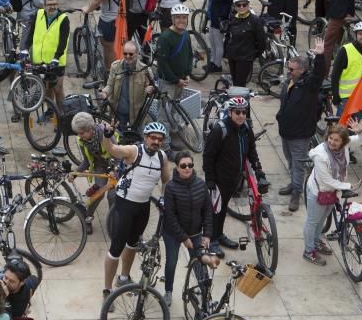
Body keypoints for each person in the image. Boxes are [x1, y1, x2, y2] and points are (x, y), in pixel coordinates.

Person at [100, 122, 171, 297]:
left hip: (143, 206)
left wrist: (163, 197)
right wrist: (107, 135)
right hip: (125, 204)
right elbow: (112, 149)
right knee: (116, 247)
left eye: (159, 139)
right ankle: (107, 290)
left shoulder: (162, 157)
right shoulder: (134, 151)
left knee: (132, 244)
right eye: (153, 138)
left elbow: (166, 180)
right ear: (146, 138)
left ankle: (124, 278)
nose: (156, 141)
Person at [203, 96, 267, 252]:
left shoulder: (245, 128)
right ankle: (211, 241)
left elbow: (251, 151)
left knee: (223, 208)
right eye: (237, 112)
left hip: (235, 178)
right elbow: (208, 156)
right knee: (215, 210)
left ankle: (219, 235)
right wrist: (210, 179)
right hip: (219, 179)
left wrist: (258, 169)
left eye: (244, 112)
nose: (241, 116)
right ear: (230, 112)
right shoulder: (220, 130)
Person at [302, 122, 362, 265]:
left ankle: (316, 242)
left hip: (332, 192)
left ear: (343, 142)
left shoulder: (345, 146)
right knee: (313, 221)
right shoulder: (320, 155)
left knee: (322, 219)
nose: (332, 142)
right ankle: (309, 251)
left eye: (336, 140)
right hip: (319, 191)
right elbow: (326, 180)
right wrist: (346, 185)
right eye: (330, 138)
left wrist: (361, 131)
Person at [277, 41, 327, 213]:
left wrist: (320, 56)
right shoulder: (290, 82)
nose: (288, 72)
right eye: (288, 68)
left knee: (298, 165)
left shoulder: (309, 85)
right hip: (286, 131)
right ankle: (293, 184)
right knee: (290, 161)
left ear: (302, 70)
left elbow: (319, 75)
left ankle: (297, 193)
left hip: (300, 134)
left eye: (292, 69)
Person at [162, 151, 214, 305]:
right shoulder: (170, 188)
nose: (187, 168)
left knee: (199, 262)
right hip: (173, 233)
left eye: (190, 165)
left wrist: (208, 234)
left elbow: (207, 211)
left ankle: (206, 296)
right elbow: (170, 217)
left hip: (195, 231)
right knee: (171, 262)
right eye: (183, 165)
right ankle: (168, 291)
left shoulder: (201, 184)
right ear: (177, 168)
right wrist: (184, 238)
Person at [21, 0, 69, 109]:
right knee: (47, 87)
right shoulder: (38, 15)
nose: (52, 7)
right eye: (49, 5)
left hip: (56, 61)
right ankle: (50, 110)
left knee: (58, 89)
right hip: (40, 59)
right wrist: (25, 49)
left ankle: (62, 113)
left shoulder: (63, 19)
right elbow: (31, 34)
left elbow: (63, 41)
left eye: (54, 4)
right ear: (44, 6)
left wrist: (56, 57)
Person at [100, 40, 155, 132]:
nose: (127, 56)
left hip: (137, 113)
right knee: (119, 137)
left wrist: (151, 89)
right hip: (119, 111)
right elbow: (110, 85)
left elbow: (152, 88)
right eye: (125, 54)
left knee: (137, 137)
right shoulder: (115, 66)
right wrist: (105, 92)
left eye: (131, 54)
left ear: (137, 54)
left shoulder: (145, 70)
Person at [80, 0, 121, 71]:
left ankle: (110, 72)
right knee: (105, 44)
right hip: (107, 17)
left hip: (110, 19)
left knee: (108, 47)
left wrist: (88, 9)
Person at [331, 22, 362, 114]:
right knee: (341, 126)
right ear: (355, 35)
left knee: (356, 124)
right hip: (347, 97)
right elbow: (334, 76)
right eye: (360, 33)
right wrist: (335, 97)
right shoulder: (345, 50)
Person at [223, 0, 267, 88]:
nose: (242, 7)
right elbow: (228, 36)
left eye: (244, 4)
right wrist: (226, 51)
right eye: (239, 5)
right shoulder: (233, 19)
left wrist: (254, 55)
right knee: (235, 82)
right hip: (232, 56)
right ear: (235, 6)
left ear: (248, 5)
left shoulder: (254, 20)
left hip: (245, 58)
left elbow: (261, 41)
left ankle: (242, 102)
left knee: (240, 85)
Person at [155, 4, 192, 105]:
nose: (181, 20)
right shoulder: (165, 38)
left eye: (184, 17)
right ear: (172, 19)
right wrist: (176, 80)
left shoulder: (186, 34)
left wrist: (188, 73)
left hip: (181, 81)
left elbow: (189, 55)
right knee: (165, 115)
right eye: (178, 17)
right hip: (168, 83)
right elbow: (162, 63)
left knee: (176, 113)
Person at [205, 0, 236, 73]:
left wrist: (225, 17)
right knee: (212, 41)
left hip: (220, 21)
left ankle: (217, 65)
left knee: (218, 43)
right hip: (213, 19)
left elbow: (232, 3)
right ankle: (212, 62)